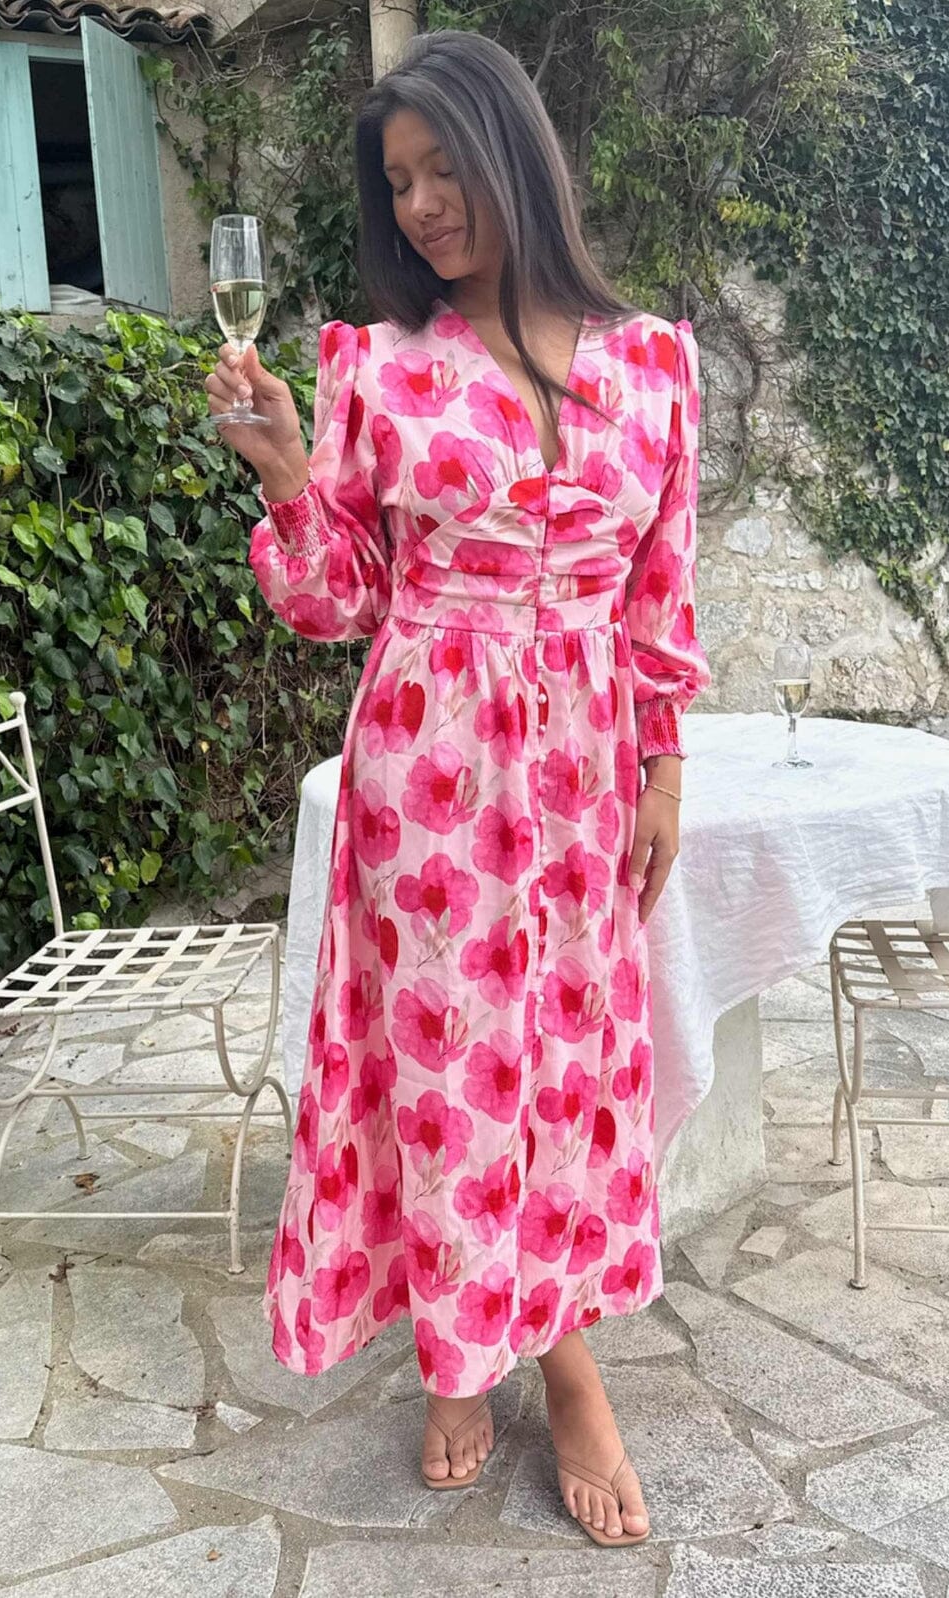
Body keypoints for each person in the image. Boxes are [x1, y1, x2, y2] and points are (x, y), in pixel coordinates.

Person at [205, 27, 710, 1548]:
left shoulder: (653, 362)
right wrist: (288, 474)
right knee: (449, 1076)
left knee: (569, 1066)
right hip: (428, 771)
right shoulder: (379, 370)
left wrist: (662, 762)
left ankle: (554, 1356)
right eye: (398, 183)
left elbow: (660, 589)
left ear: (513, 154)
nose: (419, 205)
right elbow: (335, 598)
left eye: (441, 169)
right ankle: (469, 1345)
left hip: (582, 768)